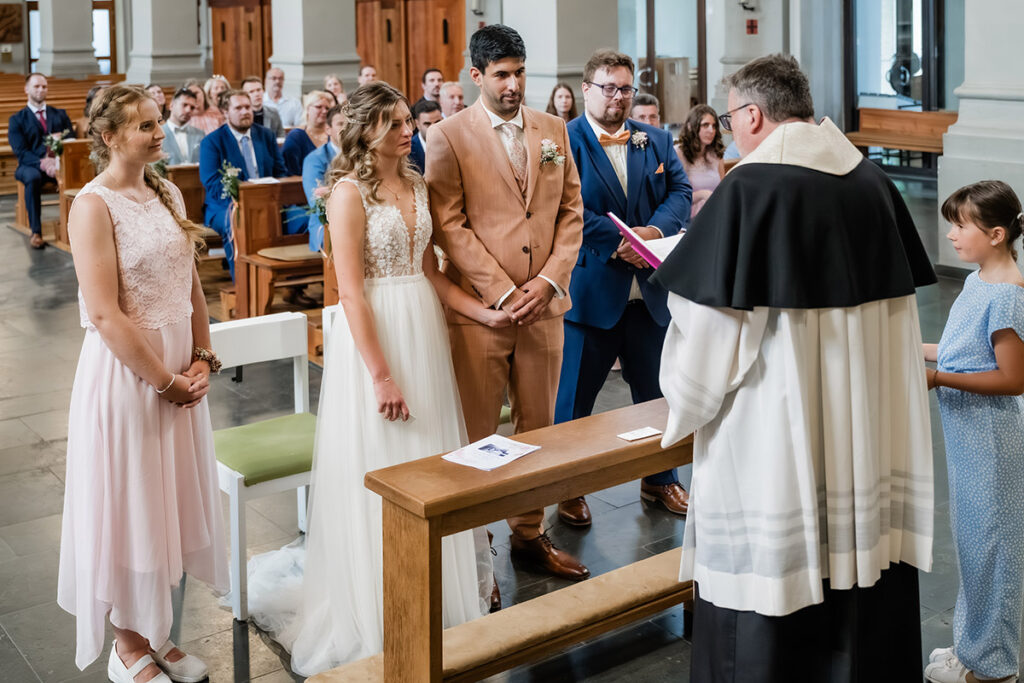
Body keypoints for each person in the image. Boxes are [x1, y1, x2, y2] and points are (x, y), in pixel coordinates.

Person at [650, 53, 937, 681]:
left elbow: (709, 344)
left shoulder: (750, 190)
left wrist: (679, 370)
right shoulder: (871, 180)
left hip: (776, 447)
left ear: (752, 115)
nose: (728, 131)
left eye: (729, 118)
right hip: (864, 438)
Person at [245, 82, 497, 677]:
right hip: (377, 338)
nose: (407, 130)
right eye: (393, 124)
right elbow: (352, 293)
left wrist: (478, 310)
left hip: (425, 333)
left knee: (433, 461)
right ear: (365, 132)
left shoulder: (415, 182)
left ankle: (441, 596)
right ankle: (377, 607)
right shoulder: (347, 194)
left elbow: (428, 271)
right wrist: (380, 375)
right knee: (386, 461)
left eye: (408, 119)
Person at [57, 84, 227, 683]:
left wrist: (204, 355)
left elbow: (192, 286)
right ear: (109, 138)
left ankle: (160, 632)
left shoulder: (165, 188)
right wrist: (164, 381)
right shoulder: (91, 206)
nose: (160, 133)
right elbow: (104, 313)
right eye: (146, 126)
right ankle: (128, 647)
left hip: (181, 373)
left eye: (159, 123)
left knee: (168, 504)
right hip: (132, 380)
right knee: (131, 504)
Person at [425, 24, 588, 584]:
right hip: (481, 312)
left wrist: (547, 281)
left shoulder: (554, 130)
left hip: (544, 308)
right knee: (477, 436)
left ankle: (528, 534)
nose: (514, 84)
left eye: (520, 72)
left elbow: (571, 212)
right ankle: (477, 554)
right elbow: (448, 224)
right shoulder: (447, 136)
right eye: (501, 75)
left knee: (539, 426)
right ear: (476, 76)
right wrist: (500, 291)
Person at [555, 49, 692, 526]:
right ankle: (567, 487)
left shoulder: (654, 139)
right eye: (608, 88)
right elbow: (562, 205)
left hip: (650, 291)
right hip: (593, 291)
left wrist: (651, 235)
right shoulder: (563, 141)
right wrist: (619, 243)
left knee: (659, 393)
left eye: (625, 89)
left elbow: (680, 192)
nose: (617, 97)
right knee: (575, 399)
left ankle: (661, 479)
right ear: (587, 89)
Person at [923, 181, 1024, 683]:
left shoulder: (1007, 296)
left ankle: (994, 668)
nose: (952, 233)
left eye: (962, 225)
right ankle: (972, 648)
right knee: (972, 547)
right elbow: (959, 348)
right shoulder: (978, 278)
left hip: (989, 441)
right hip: (967, 437)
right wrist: (911, 346)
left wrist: (937, 378)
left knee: (994, 551)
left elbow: (1012, 379)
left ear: (998, 233)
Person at [199, 89, 287, 280]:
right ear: (225, 112)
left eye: (247, 107)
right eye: (238, 108)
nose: (245, 112)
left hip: (267, 202)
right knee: (237, 222)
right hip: (224, 206)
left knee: (296, 220)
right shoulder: (212, 142)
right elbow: (212, 183)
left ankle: (291, 282)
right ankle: (242, 283)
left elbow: (280, 171)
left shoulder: (265, 135)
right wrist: (244, 195)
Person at [9, 72, 74, 249]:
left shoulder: (59, 114)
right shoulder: (17, 119)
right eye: (36, 86)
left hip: (58, 165)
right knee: (33, 178)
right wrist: (43, 163)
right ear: (26, 89)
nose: (41, 90)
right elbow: (21, 152)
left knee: (75, 176)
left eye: (44, 86)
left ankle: (74, 230)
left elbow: (71, 140)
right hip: (30, 166)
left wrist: (59, 151)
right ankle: (36, 232)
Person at [302, 103, 345, 252]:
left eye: (350, 124)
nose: (346, 129)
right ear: (328, 129)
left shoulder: (362, 155)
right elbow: (316, 200)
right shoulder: (315, 159)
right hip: (325, 224)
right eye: (340, 124)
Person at [675, 104, 725, 218]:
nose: (711, 130)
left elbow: (723, 188)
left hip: (714, 214)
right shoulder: (679, 153)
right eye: (705, 125)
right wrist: (702, 195)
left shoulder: (716, 154)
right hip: (688, 218)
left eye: (714, 126)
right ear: (690, 126)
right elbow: (676, 197)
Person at [282, 90, 333, 176]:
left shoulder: (333, 136)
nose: (324, 111)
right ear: (308, 109)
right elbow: (291, 171)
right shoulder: (296, 136)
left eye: (327, 108)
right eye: (319, 107)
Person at [161, 87, 205, 165]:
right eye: (184, 105)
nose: (188, 110)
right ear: (171, 105)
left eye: (192, 107)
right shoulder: (159, 134)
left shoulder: (200, 134)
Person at [409, 99, 442, 174]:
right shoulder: (408, 151)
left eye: (437, 122)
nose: (433, 128)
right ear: (417, 124)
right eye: (427, 124)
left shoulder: (451, 144)